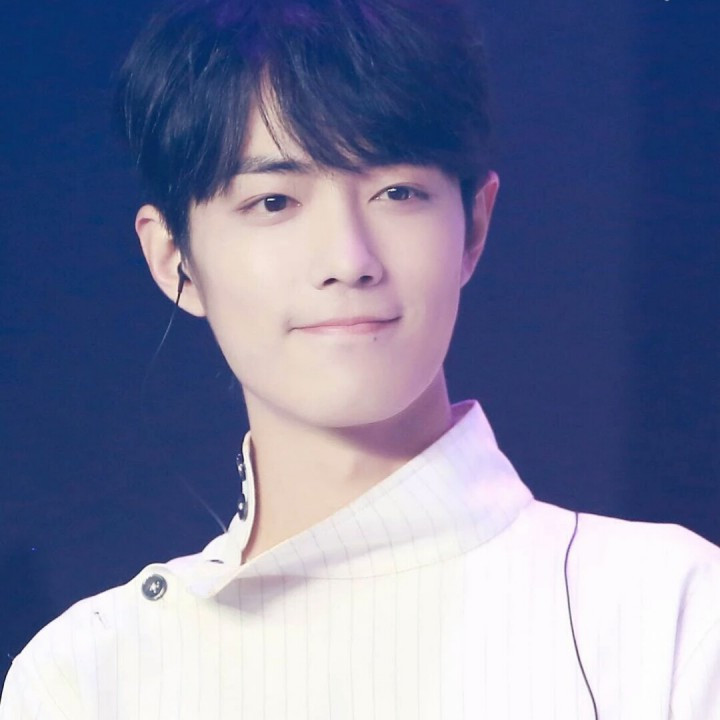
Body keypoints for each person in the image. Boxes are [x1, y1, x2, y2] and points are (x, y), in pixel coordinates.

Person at [1, 0, 718, 717]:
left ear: (474, 226)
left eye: (397, 192)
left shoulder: (670, 615)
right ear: (173, 259)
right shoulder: (88, 679)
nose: (349, 259)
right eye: (274, 202)